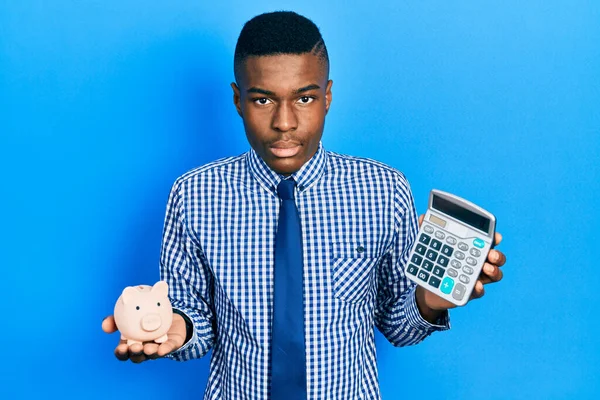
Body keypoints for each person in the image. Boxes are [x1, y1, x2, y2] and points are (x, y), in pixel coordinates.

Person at [102, 10, 506, 399]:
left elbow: (398, 326)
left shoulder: (383, 191)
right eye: (262, 101)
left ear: (327, 96)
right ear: (237, 100)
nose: (285, 123)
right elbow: (194, 320)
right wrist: (176, 328)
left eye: (304, 99)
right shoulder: (194, 195)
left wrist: (431, 300)